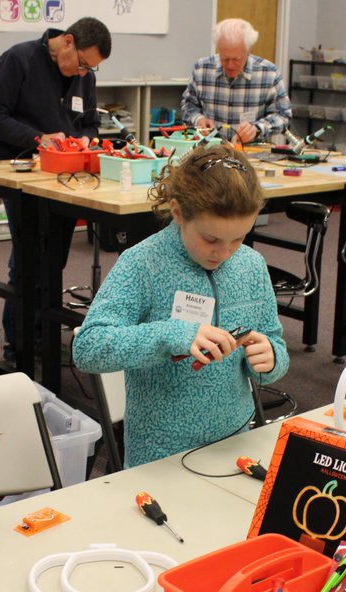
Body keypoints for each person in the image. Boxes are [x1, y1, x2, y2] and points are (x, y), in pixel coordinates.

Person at [73, 144, 289, 467]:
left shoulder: (252, 266)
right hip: (160, 455)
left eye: (238, 239)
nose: (225, 252)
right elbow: (88, 347)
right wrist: (172, 335)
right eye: (211, 239)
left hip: (234, 447)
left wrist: (271, 358)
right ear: (178, 213)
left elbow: (276, 344)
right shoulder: (143, 263)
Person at [0, 16, 112, 362]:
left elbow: (91, 121)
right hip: (22, 172)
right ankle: (18, 347)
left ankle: (43, 339)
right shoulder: (18, 60)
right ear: (67, 41)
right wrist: (38, 139)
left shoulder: (84, 75)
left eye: (91, 70)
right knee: (27, 262)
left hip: (66, 177)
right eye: (83, 64)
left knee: (53, 261)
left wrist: (85, 138)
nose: (84, 74)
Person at [180, 18, 292, 145]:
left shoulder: (269, 73)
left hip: (250, 153)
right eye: (225, 58)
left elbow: (283, 115)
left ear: (248, 51)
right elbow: (188, 106)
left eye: (237, 59)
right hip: (211, 151)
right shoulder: (202, 69)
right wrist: (199, 120)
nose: (230, 65)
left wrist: (258, 128)